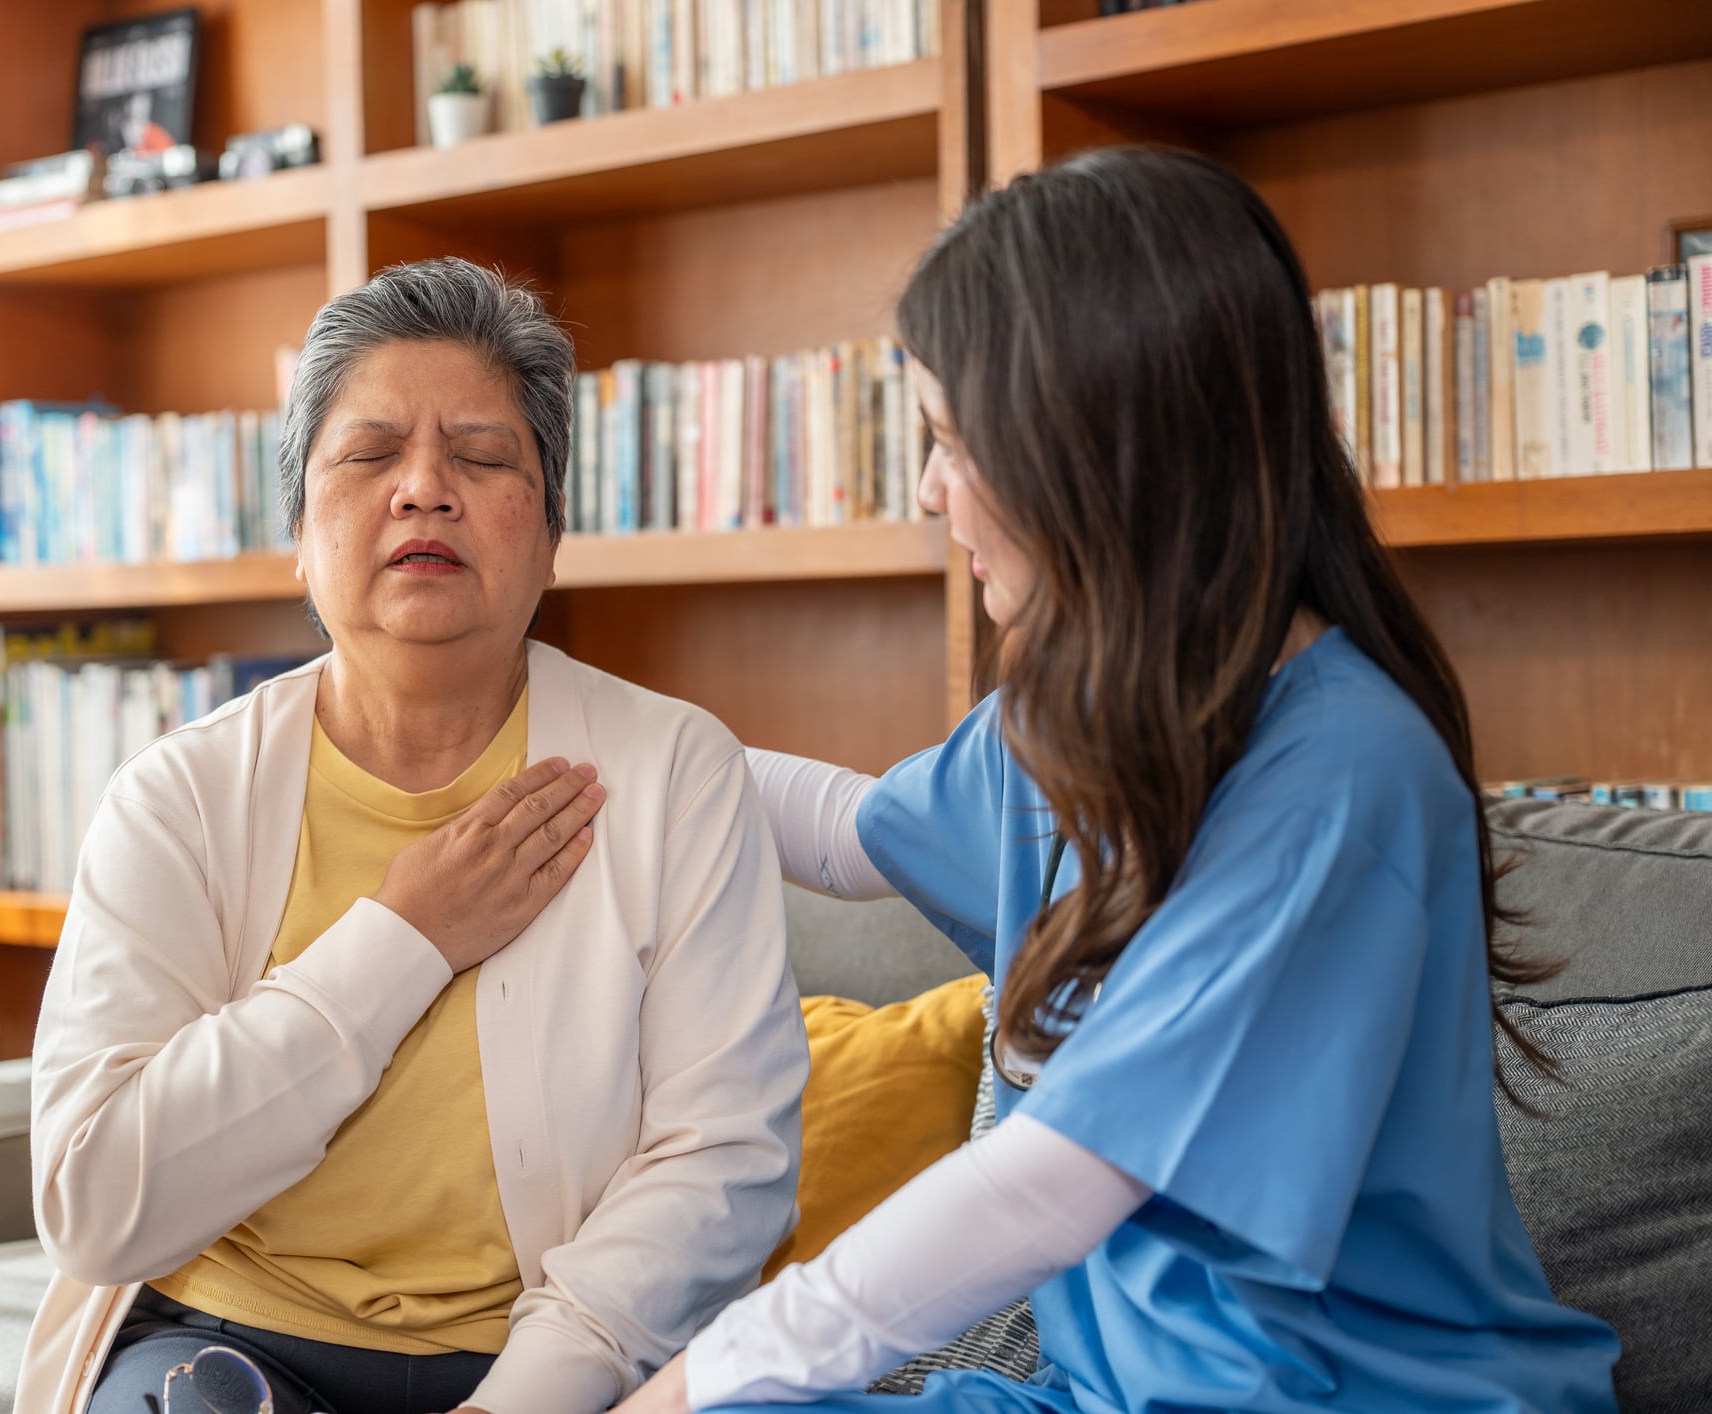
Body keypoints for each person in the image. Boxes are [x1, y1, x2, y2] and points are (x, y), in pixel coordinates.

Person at [617, 148, 1620, 1413]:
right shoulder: (1070, 725)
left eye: (948, 441)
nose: (930, 490)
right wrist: (584, 744)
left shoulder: (1344, 776)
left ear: (1097, 448)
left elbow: (1052, 1182)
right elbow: (845, 835)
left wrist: (709, 1369)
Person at [15, 258, 809, 1414]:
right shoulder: (175, 798)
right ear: (299, 528)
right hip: (232, 1352)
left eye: (484, 458)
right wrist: (403, 937)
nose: (425, 488)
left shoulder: (675, 771)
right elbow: (94, 1199)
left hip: (564, 1365)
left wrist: (517, 1401)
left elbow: (726, 1158)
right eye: (371, 453)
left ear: (550, 535)